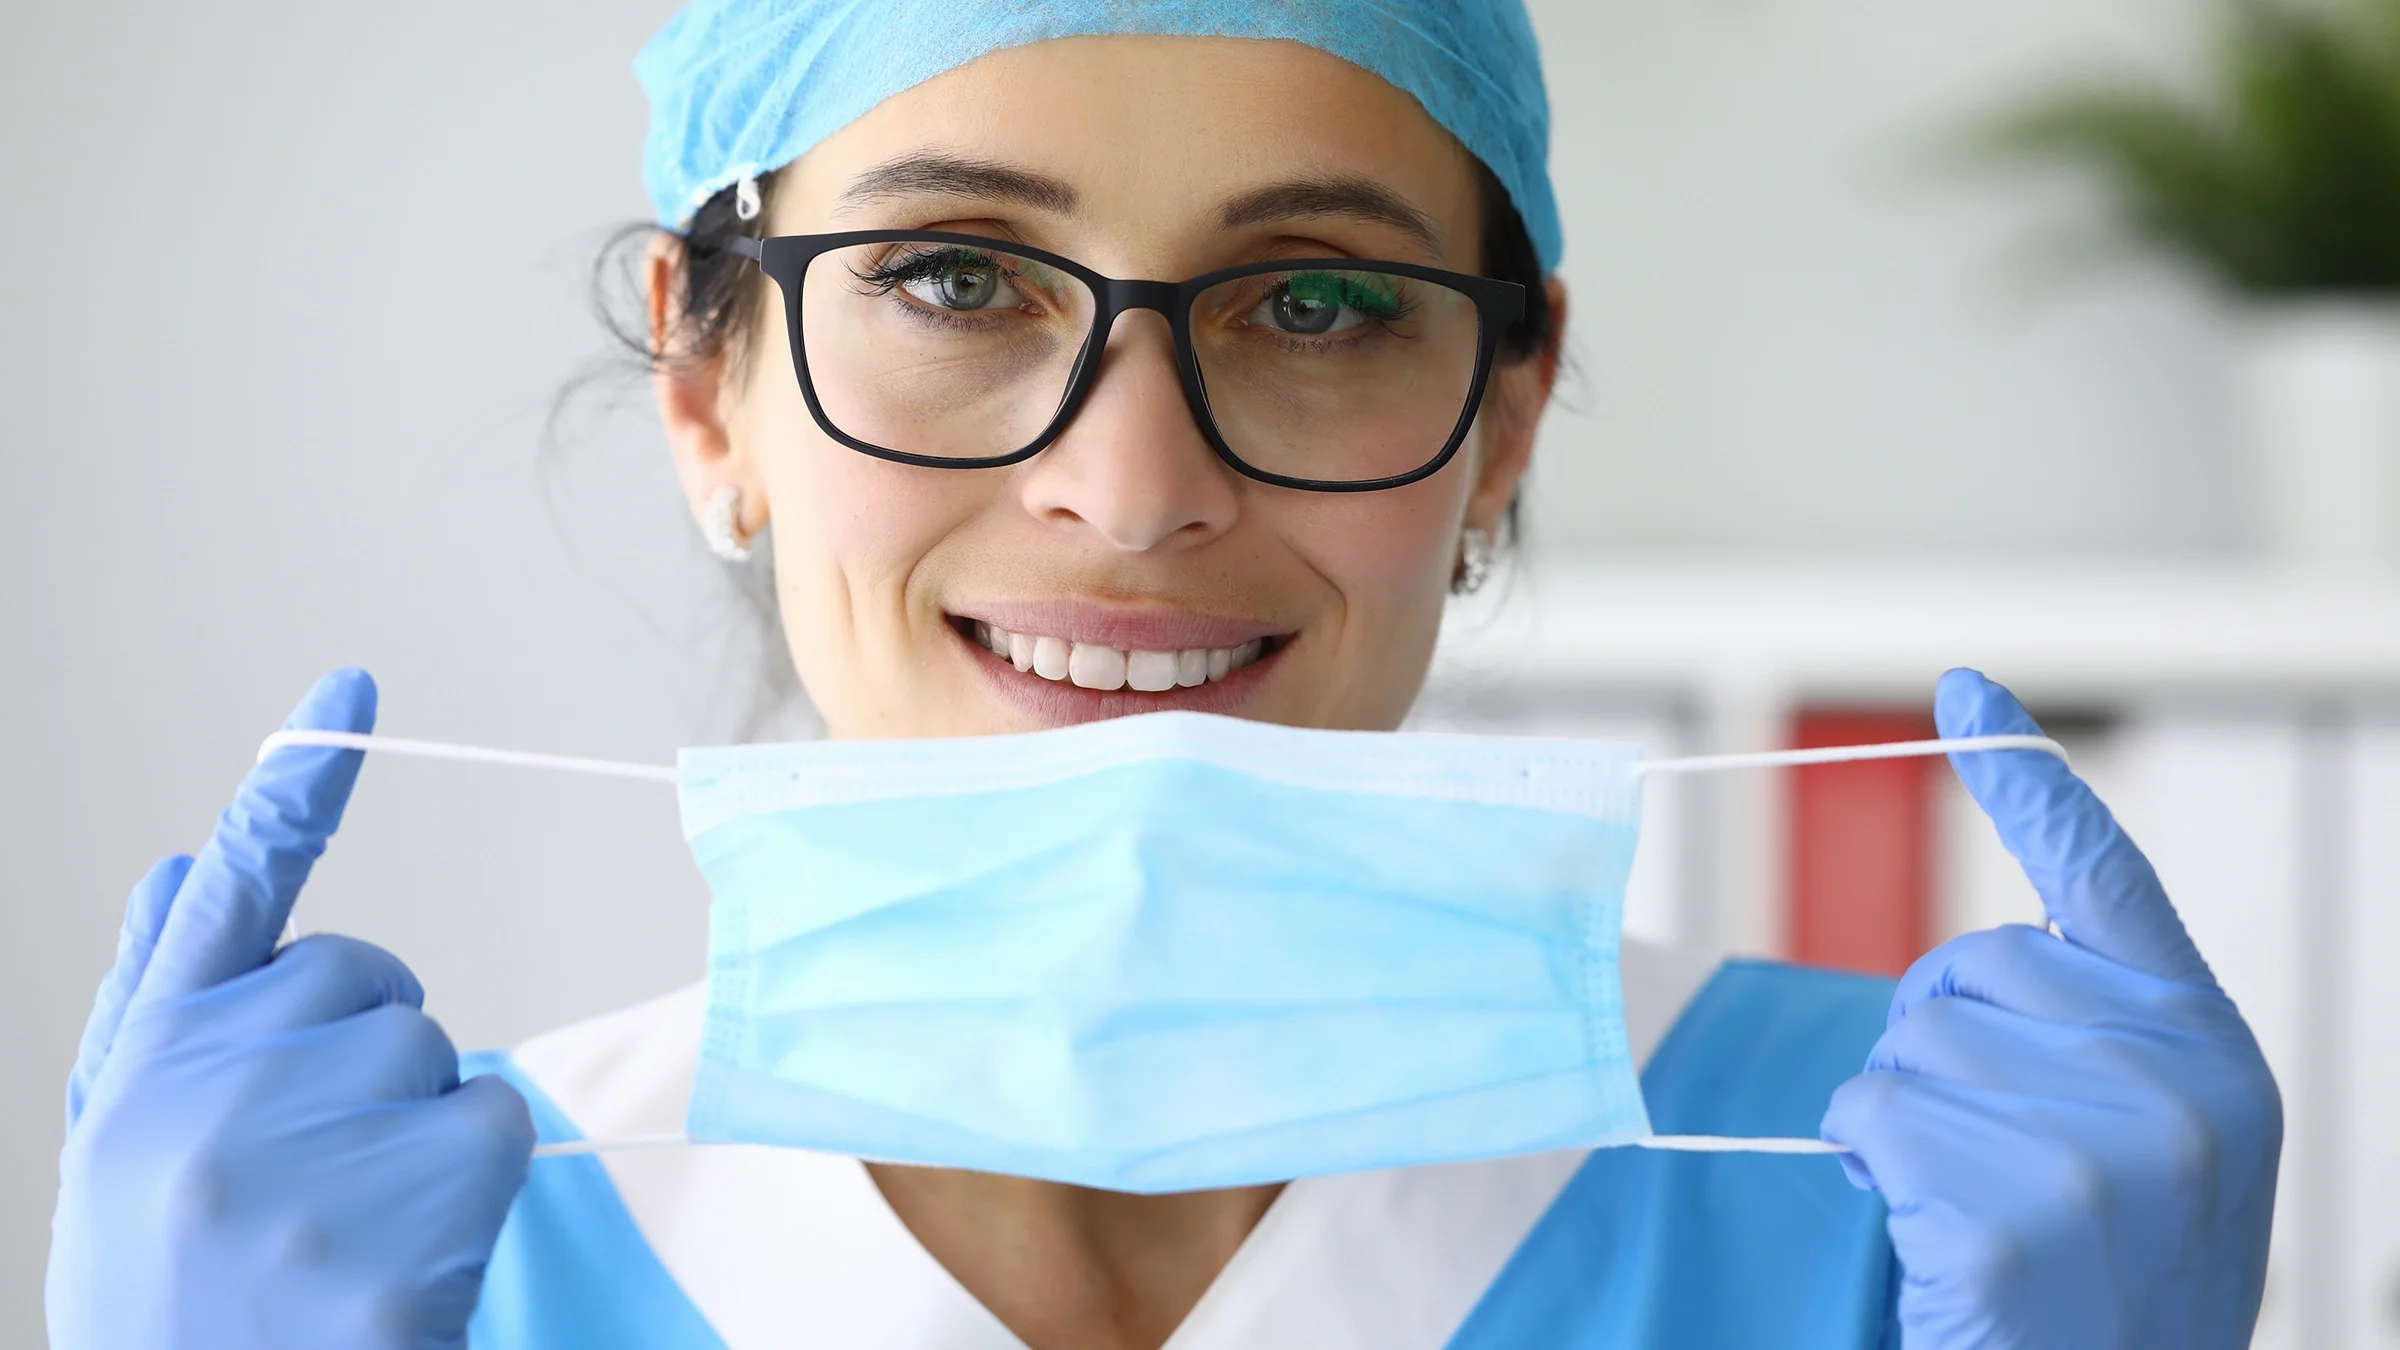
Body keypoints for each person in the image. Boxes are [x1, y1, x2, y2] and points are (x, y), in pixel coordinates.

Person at [46, 3, 2283, 1348]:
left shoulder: (1944, 1206)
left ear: (1504, 412)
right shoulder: (402, 1263)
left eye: (1317, 304)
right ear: (707, 388)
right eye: (953, 276)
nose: (1132, 494)